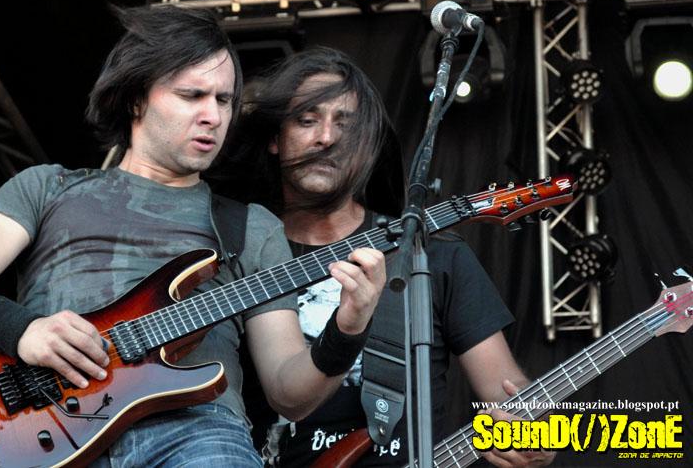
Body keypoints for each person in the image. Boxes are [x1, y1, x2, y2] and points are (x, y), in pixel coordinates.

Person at [0, 7, 387, 467]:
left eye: (224, 100)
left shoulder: (251, 226)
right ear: (136, 98)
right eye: (192, 95)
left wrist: (347, 329)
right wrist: (23, 331)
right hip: (50, 429)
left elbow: (289, 393)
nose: (213, 116)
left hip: (198, 434)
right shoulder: (47, 188)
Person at [216, 47, 555, 467]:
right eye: (306, 120)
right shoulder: (237, 255)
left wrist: (537, 433)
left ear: (368, 147)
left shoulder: (432, 255)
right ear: (274, 138)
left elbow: (508, 390)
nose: (326, 138)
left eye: (346, 125)